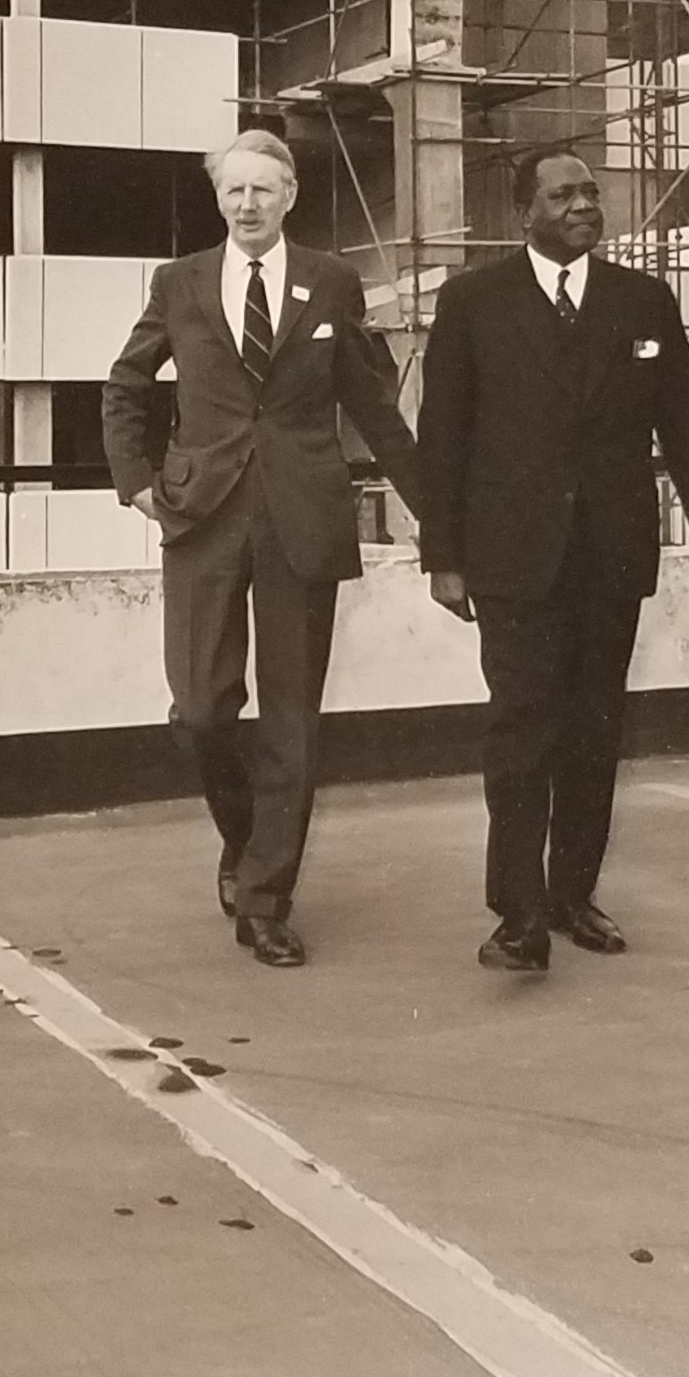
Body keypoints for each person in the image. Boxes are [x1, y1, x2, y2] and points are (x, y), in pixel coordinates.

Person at [417, 149, 689, 973]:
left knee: (595, 733)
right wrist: (443, 557)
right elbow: (443, 438)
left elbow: (687, 425)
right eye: (562, 195)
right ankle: (518, 916)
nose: (582, 205)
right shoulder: (472, 303)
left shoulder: (643, 300)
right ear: (522, 213)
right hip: (511, 560)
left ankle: (572, 896)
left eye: (590, 193)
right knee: (521, 730)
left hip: (610, 555)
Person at [102, 129, 420, 967]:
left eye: (263, 191)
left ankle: (267, 897)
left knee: (291, 721)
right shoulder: (179, 282)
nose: (248, 205)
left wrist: (433, 510)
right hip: (201, 516)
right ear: (219, 201)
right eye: (234, 191)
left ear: (289, 198)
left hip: (302, 518)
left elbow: (374, 403)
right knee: (202, 708)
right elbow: (128, 383)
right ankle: (246, 841)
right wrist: (136, 480)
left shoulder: (331, 280)